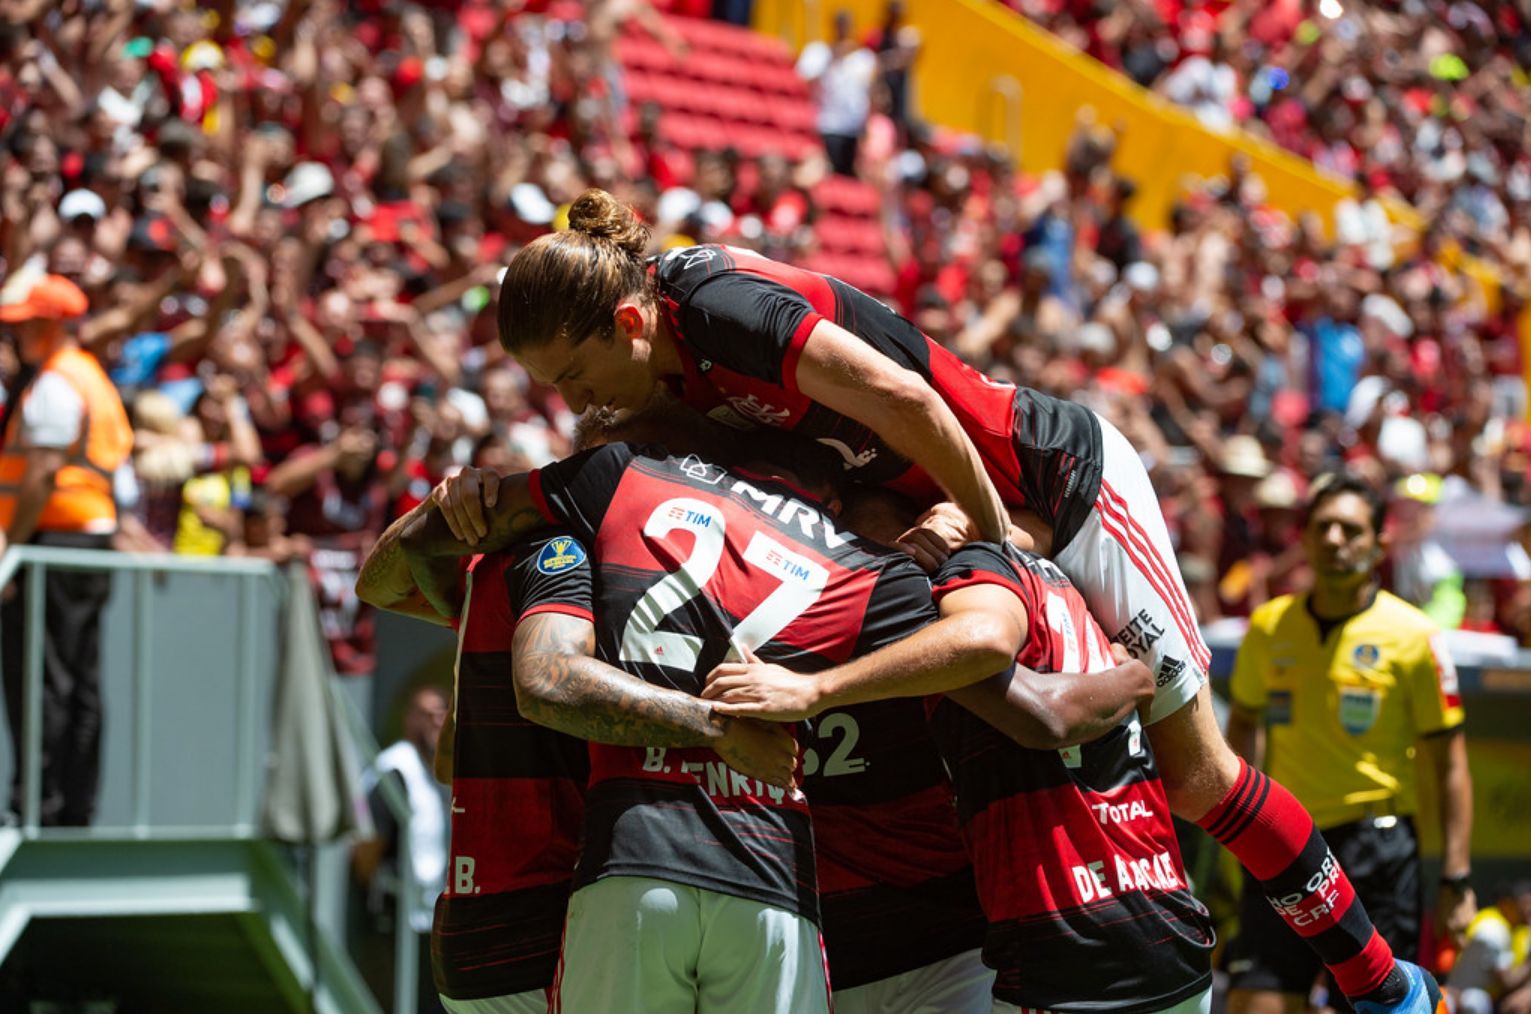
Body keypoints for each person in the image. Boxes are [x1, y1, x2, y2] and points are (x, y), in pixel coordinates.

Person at [475, 188, 1444, 1012]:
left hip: (1055, 485)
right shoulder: (663, 378)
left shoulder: (720, 307)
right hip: (956, 522)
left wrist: (989, 538)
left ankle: (1384, 989)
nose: (574, 402)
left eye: (572, 375)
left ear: (630, 324)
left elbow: (913, 407)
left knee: (1197, 777)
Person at [405, 416, 1154, 1013]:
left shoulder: (599, 570)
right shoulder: (874, 583)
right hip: (777, 905)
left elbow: (447, 720)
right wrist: (1144, 669)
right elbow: (1041, 712)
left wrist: (454, 510)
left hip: (652, 895)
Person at [357, 483, 796, 1012]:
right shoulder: (572, 562)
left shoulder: (498, 573)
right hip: (551, 917)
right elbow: (547, 683)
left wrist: (435, 514)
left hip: (471, 927)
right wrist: (720, 727)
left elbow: (448, 757)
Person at [1225, 474, 1475, 1014]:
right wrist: (1233, 830)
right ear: (1306, 538)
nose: (1336, 539)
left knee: (1381, 1006)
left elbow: (1449, 762)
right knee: (1255, 1002)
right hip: (1282, 844)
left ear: (1380, 543)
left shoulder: (1414, 636)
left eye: (1352, 529)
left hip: (1377, 850)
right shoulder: (1268, 627)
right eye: (1324, 527)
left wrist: (1456, 876)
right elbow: (1242, 725)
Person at [0, 273, 132, 827]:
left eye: (28, 323)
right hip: (88, 540)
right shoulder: (91, 375)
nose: (18, 335)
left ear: (51, 325)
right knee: (78, 678)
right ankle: (72, 803)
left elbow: (44, 472)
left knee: (43, 677)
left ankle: (40, 803)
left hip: (53, 543)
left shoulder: (57, 381)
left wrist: (10, 543)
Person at [354, 685, 451, 1014]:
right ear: (409, 720)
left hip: (430, 916)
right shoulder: (395, 768)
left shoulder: (436, 770)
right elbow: (369, 845)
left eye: (442, 713)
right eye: (427, 714)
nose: (436, 721)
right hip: (396, 916)